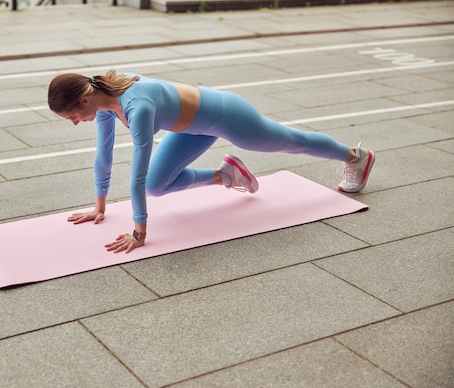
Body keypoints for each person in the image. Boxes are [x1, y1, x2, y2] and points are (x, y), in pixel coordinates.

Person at [47, 70, 375, 254]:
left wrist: (138, 232)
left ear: (85, 100)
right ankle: (228, 175)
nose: (76, 121)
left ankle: (355, 157)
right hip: (192, 128)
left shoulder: (138, 106)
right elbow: (104, 155)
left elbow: (136, 171)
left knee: (291, 142)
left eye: (73, 116)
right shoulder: (103, 104)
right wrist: (99, 206)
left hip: (226, 115)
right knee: (157, 186)